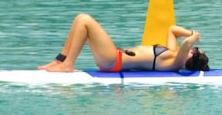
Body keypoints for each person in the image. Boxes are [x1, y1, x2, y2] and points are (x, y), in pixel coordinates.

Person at [38, 13, 210, 73]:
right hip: (114, 57)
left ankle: (68, 65)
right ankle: (60, 61)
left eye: (194, 50)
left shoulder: (176, 63)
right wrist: (190, 32)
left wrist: (193, 37)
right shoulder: (173, 53)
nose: (192, 47)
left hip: (114, 60)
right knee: (79, 20)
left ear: (192, 55)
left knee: (85, 21)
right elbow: (172, 29)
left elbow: (187, 43)